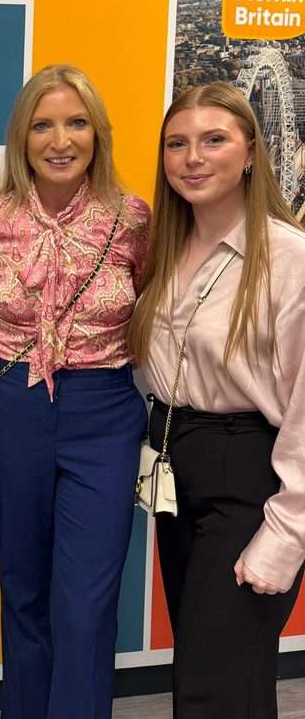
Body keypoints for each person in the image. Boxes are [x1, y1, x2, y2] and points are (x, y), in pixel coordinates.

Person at [0, 63, 150, 719]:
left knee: (88, 602)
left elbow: (149, 308)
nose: (60, 138)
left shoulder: (131, 217)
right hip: (14, 408)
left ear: (98, 134)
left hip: (105, 413)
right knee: (24, 589)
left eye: (76, 122)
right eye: (43, 124)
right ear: (22, 136)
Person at [128, 80, 305, 717]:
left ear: (252, 152)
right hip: (179, 462)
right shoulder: (164, 250)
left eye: (214, 140)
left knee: (210, 684)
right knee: (222, 674)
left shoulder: (289, 260)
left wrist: (286, 535)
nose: (192, 157)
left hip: (250, 473)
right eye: (177, 144)